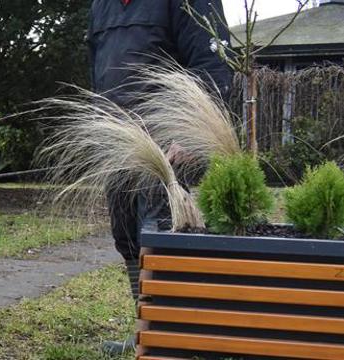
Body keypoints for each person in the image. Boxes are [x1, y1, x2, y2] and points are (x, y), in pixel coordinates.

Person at [87, 0, 232, 355]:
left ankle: (175, 335)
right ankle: (148, 330)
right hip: (118, 141)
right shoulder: (101, 6)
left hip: (168, 145)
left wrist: (191, 133)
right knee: (127, 238)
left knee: (159, 236)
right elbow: (99, 71)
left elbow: (214, 65)